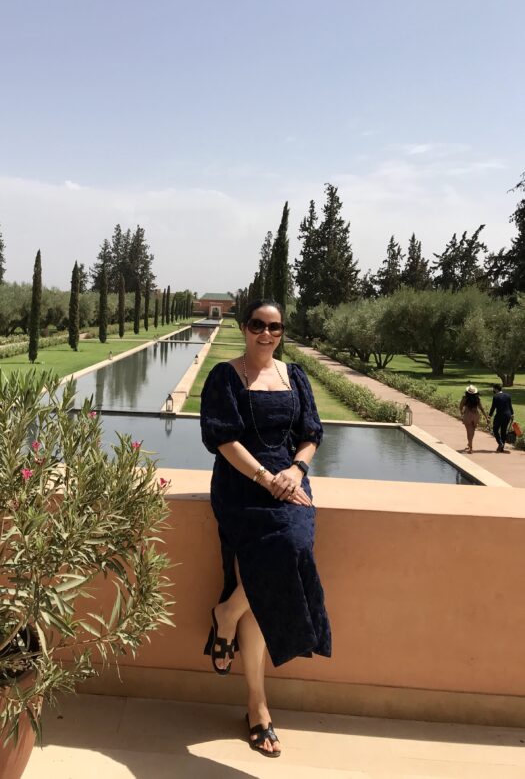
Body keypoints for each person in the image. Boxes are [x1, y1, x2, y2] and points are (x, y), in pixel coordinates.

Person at [200, 299, 331, 758]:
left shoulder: (295, 376)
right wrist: (265, 478)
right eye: (258, 324)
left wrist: (294, 471)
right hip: (242, 485)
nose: (266, 333)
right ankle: (258, 707)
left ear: (281, 332)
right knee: (263, 572)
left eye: (274, 327)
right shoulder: (225, 376)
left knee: (292, 548)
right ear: (244, 328)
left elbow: (311, 434)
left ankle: (226, 614)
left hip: (289, 485)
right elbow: (223, 439)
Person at [458, 385, 488, 454]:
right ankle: (469, 443)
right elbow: (482, 408)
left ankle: (470, 447)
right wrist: (486, 417)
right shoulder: (477, 399)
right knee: (473, 431)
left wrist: (462, 413)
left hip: (468, 415)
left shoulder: (465, 398)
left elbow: (460, 407)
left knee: (469, 432)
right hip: (475, 415)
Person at [489, 383, 514, 452]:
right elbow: (510, 406)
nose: (493, 390)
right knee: (503, 430)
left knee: (495, 429)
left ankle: (500, 443)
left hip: (499, 415)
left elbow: (493, 408)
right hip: (508, 415)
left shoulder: (495, 396)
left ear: (496, 389)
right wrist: (512, 414)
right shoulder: (508, 395)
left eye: (493, 388)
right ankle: (501, 448)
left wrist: (489, 415)